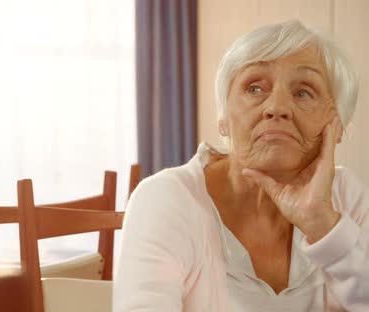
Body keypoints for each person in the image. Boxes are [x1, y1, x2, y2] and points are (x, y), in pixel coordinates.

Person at [114, 20, 368, 311]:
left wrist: (322, 223)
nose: (276, 107)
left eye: (303, 92)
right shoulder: (165, 199)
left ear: (338, 125)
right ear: (223, 118)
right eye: (255, 88)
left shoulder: (347, 198)